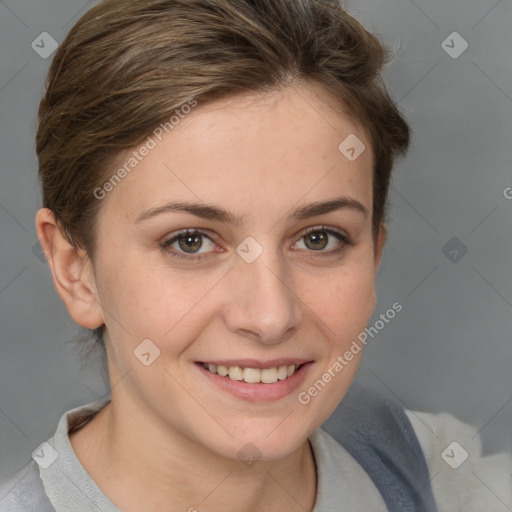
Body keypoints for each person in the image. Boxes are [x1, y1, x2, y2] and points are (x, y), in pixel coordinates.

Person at [0, 0, 510, 511]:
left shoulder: (440, 475)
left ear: (373, 257)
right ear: (75, 270)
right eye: (191, 242)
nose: (270, 317)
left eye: (318, 239)